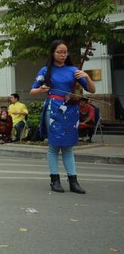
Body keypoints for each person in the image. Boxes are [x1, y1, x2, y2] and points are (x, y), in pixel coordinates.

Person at [30, 39, 96, 194]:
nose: (62, 55)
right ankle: (55, 180)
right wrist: (41, 89)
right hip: (53, 108)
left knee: (68, 147)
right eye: (59, 52)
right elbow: (33, 91)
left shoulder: (74, 70)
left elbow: (92, 90)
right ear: (53, 53)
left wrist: (86, 76)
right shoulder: (46, 71)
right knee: (54, 146)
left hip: (71, 110)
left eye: (65, 52)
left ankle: (73, 181)